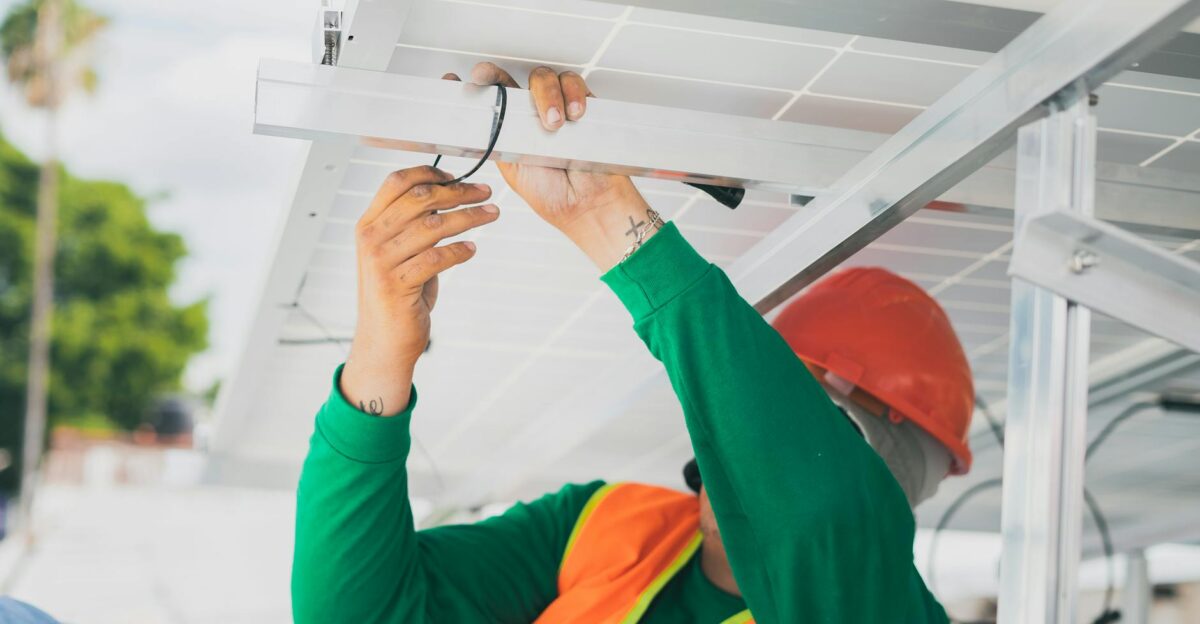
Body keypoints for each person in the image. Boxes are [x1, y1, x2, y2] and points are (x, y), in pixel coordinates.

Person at [291, 63, 975, 624]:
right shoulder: (604, 527)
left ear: (882, 499)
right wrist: (382, 355)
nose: (761, 437)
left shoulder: (888, 609)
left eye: (814, 420)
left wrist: (628, 238)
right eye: (771, 395)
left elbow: (819, 511)